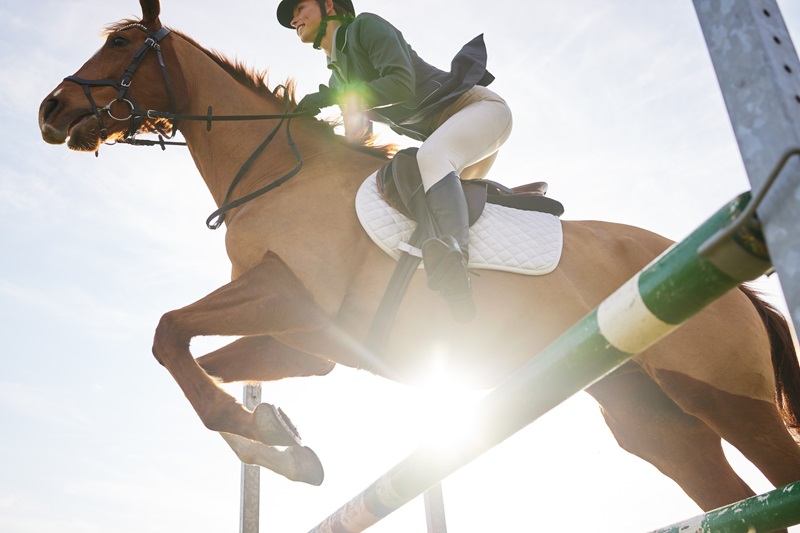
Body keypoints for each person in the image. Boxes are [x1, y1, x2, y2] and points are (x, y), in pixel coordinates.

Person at [277, 0, 513, 322]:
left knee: (430, 157)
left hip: (479, 110)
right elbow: (356, 140)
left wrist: (333, 98)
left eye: (300, 8)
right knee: (416, 199)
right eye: (292, 17)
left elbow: (400, 85)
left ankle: (455, 270)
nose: (294, 20)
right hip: (450, 137)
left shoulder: (365, 27)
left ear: (329, 5)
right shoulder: (338, 76)